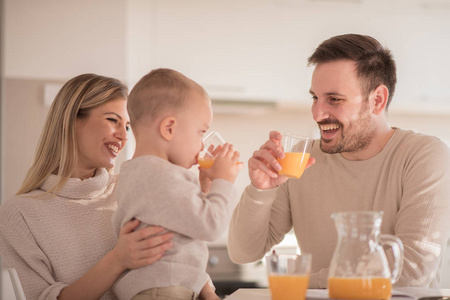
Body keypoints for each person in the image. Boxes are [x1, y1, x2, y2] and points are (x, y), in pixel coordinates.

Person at [228, 34, 450, 288]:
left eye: (334, 99)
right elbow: (243, 253)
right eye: (315, 97)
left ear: (377, 100)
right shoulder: (301, 159)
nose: (317, 113)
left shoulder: (424, 156)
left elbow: (412, 271)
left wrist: (303, 283)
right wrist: (260, 190)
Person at [0, 74, 214, 299]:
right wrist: (118, 260)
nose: (123, 136)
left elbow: (176, 255)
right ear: (72, 119)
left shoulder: (136, 186)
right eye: (113, 120)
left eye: (128, 127)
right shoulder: (19, 215)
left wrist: (209, 293)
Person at [111, 68, 243, 300]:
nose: (202, 146)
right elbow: (209, 225)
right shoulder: (162, 175)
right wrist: (225, 180)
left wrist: (204, 190)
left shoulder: (139, 174)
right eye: (201, 132)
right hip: (163, 292)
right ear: (169, 128)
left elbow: (181, 224)